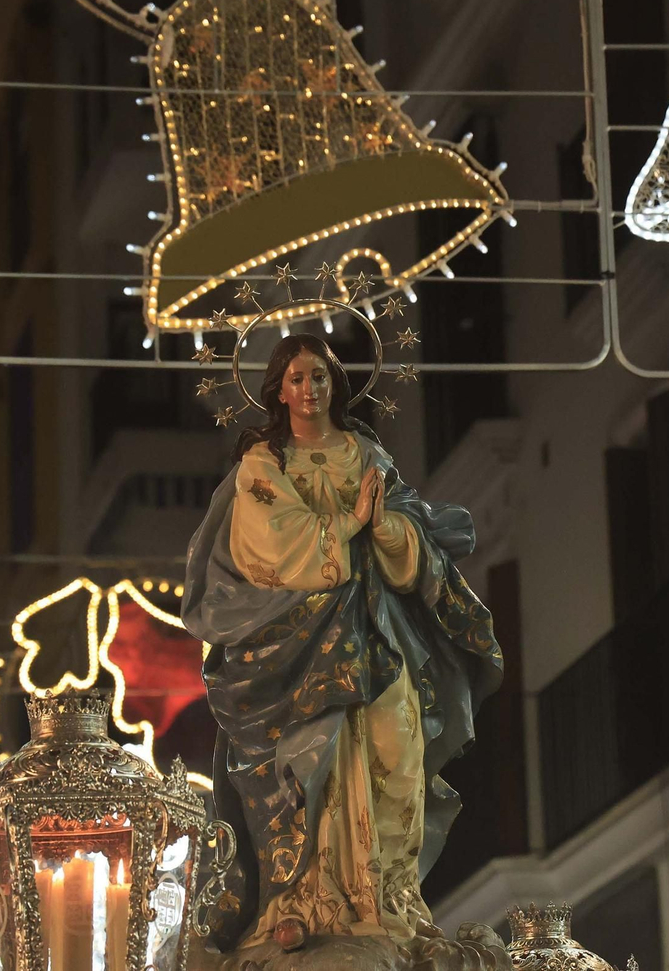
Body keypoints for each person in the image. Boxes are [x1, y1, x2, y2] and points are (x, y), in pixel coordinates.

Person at [182, 334, 503, 955]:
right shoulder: (263, 463)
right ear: (279, 390)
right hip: (298, 645)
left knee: (397, 751)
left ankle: (389, 897)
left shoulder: (367, 454)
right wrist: (348, 525)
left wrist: (385, 528)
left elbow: (411, 537)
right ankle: (309, 899)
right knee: (312, 764)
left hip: (378, 629)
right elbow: (265, 542)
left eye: (320, 376)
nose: (310, 389)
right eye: (298, 378)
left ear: (336, 383)